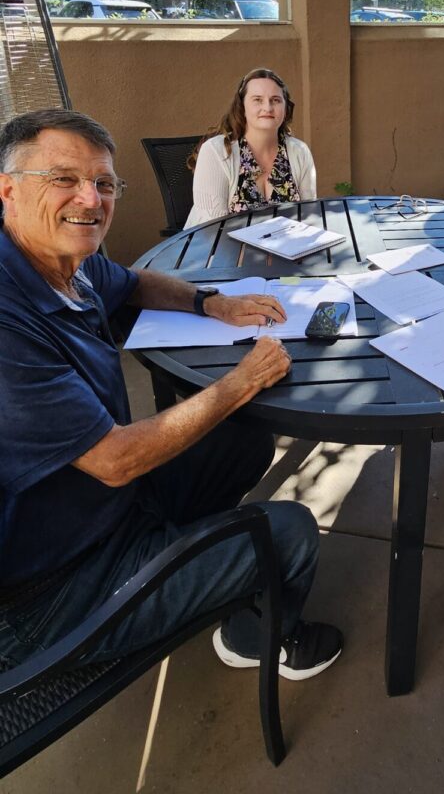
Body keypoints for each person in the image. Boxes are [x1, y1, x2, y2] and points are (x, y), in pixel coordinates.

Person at [0, 108, 342, 679]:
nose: (89, 200)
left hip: (108, 510)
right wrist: (242, 381)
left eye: (104, 184)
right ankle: (256, 638)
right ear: (7, 189)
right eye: (64, 179)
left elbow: (134, 282)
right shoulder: (8, 324)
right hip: (57, 591)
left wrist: (213, 302)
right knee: (290, 531)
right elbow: (116, 459)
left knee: (244, 440)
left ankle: (190, 559)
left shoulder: (64, 262)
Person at [186, 68, 316, 227]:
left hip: (286, 248)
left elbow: (308, 218)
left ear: (286, 107)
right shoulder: (216, 151)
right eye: (257, 99)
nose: (268, 108)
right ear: (242, 108)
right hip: (225, 248)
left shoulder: (299, 151)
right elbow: (212, 230)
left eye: (275, 100)